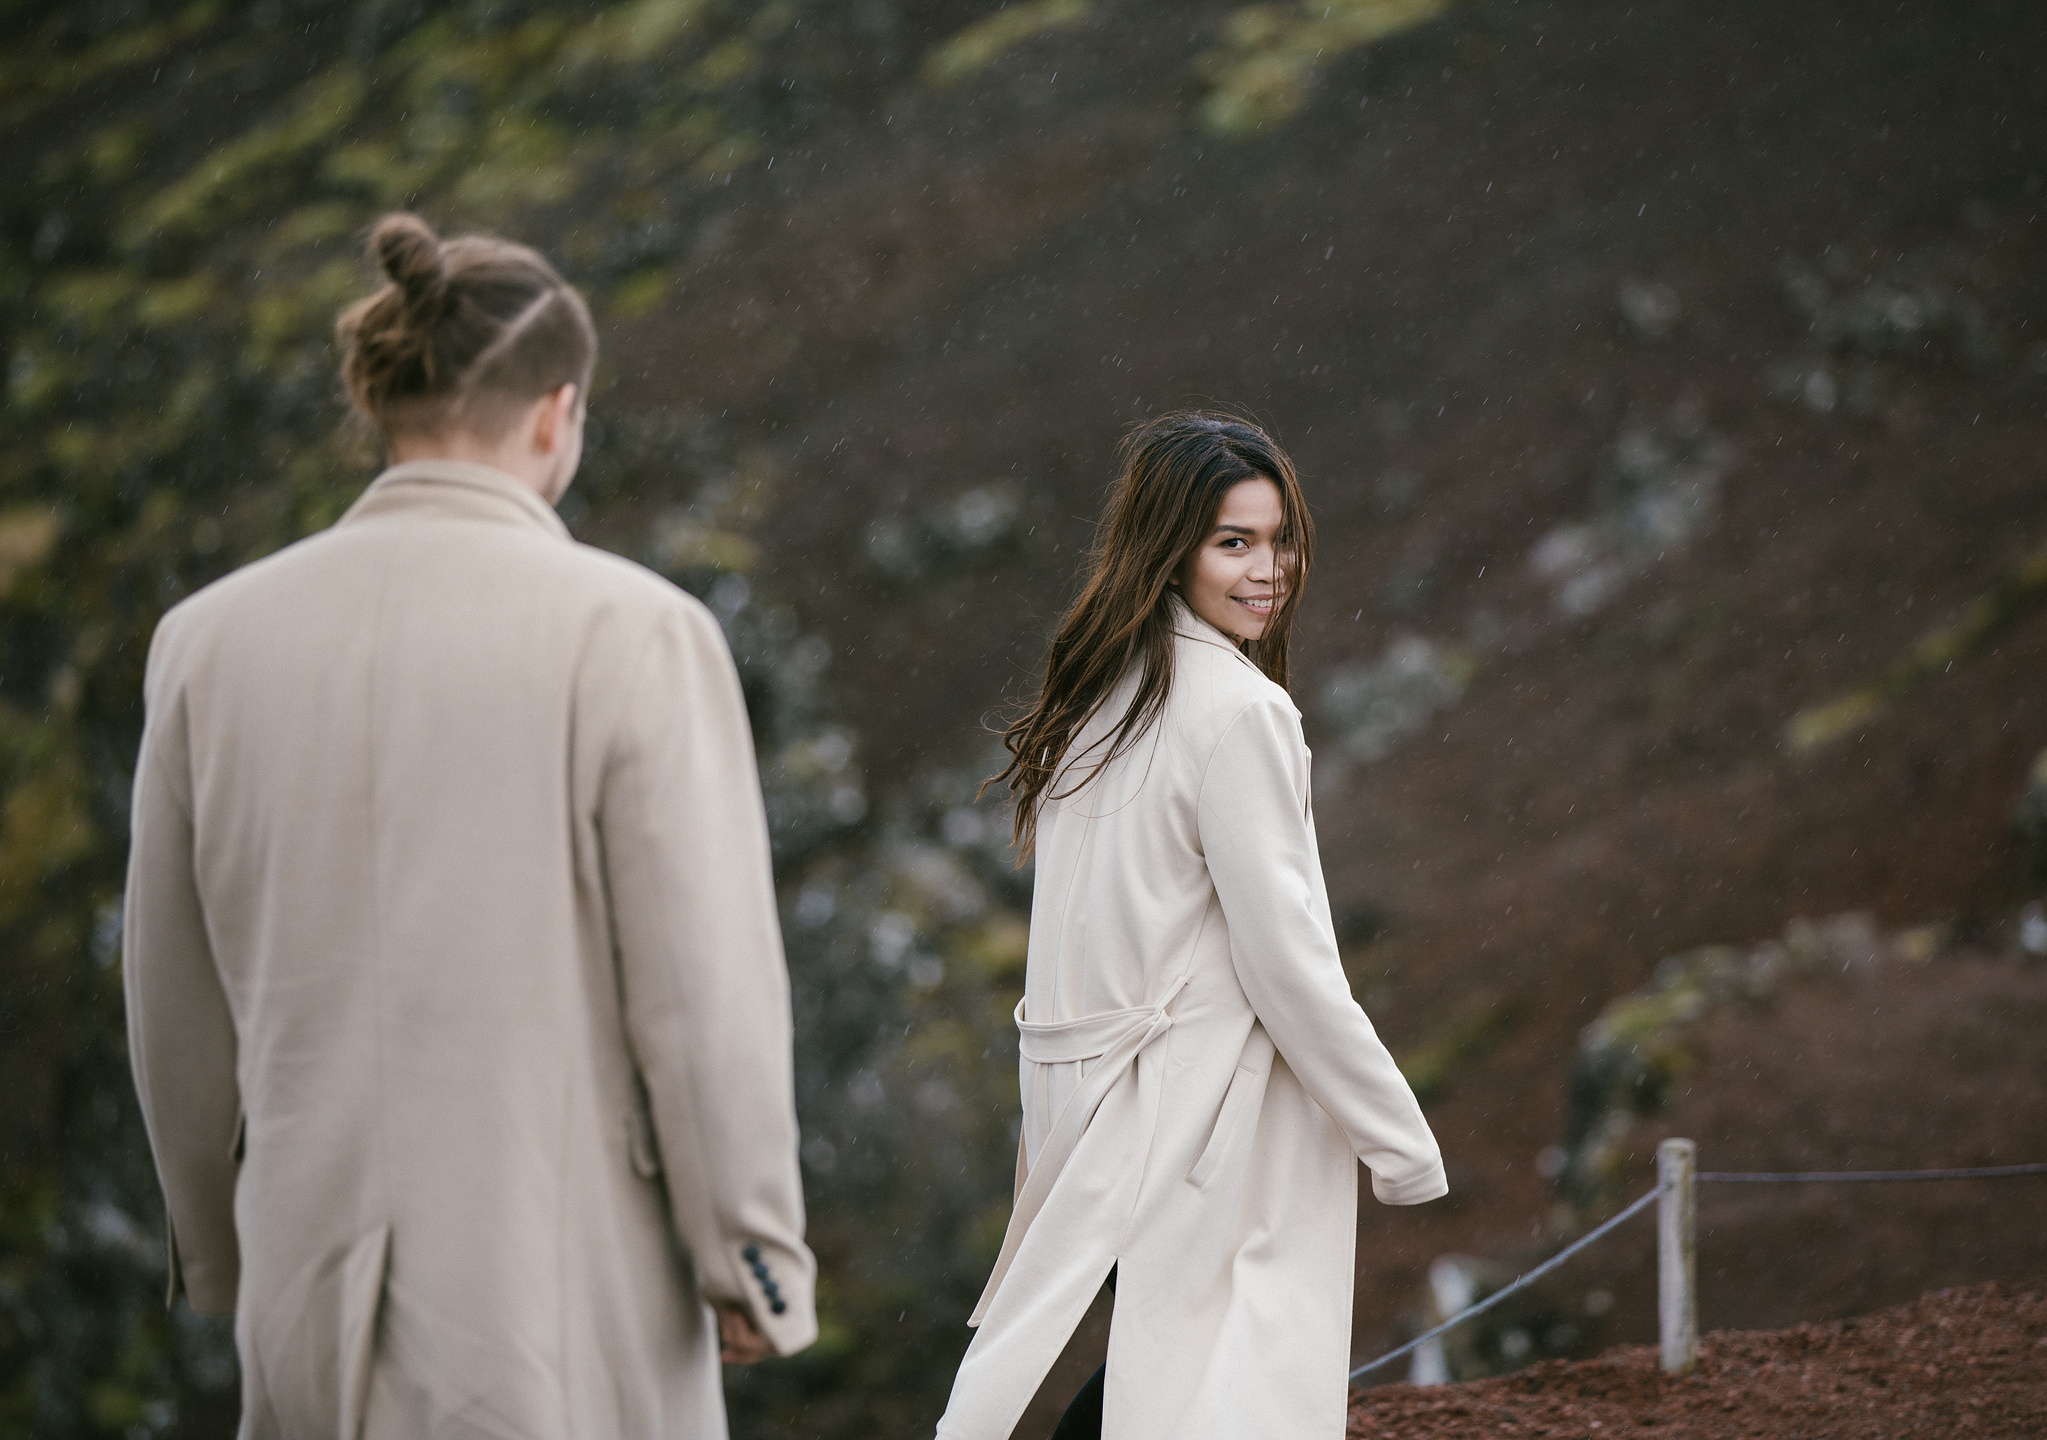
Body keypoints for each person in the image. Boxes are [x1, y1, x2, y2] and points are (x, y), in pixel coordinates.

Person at [122, 212, 816, 1437]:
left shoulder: (205, 644)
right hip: (555, 1310)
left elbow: (172, 1002)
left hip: (307, 1302)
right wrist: (749, 1255)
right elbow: (700, 996)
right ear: (557, 413)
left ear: (382, 403)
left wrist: (221, 1261)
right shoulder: (633, 633)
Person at [936, 414, 1449, 1439]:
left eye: (1278, 539)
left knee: (1162, 1378)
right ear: (1172, 549)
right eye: (1235, 543)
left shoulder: (1106, 694)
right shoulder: (1235, 711)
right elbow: (1290, 962)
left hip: (1091, 1111)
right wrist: (1400, 1143)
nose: (1270, 571)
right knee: (1213, 1392)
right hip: (1195, 1119)